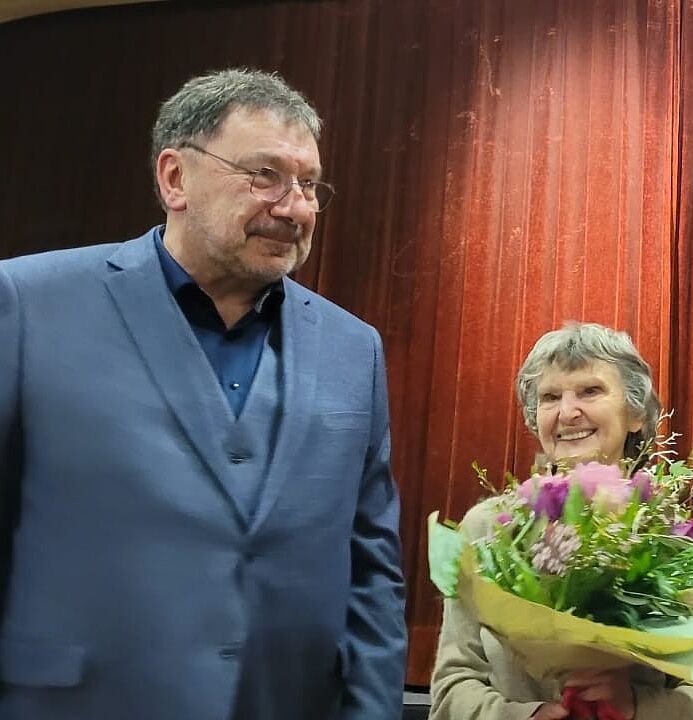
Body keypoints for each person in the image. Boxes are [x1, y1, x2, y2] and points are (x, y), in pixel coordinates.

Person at [0, 69, 406, 719]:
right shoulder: (27, 305)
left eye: (308, 184)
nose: (294, 206)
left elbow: (372, 575)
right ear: (174, 178)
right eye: (264, 174)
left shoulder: (354, 349)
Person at [429, 322, 693, 720]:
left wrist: (635, 706)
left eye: (590, 391)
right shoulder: (487, 528)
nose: (567, 413)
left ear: (636, 413)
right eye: (550, 397)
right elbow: (452, 689)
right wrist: (523, 716)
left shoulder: (671, 537)